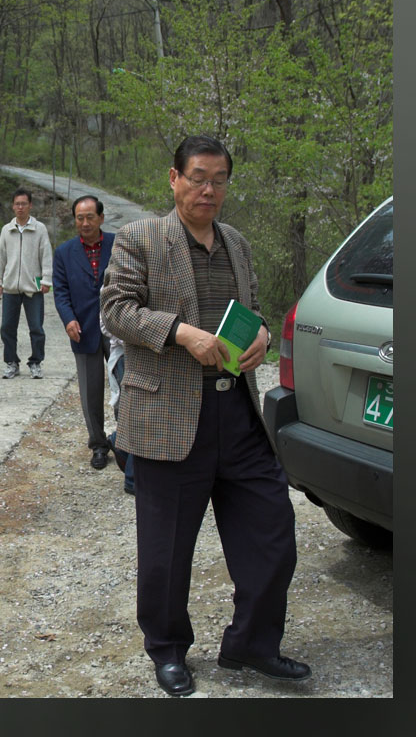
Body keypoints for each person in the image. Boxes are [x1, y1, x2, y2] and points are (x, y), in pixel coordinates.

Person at [100, 135, 308, 697]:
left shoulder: (237, 243)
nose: (208, 189)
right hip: (168, 415)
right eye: (197, 177)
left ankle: (252, 644)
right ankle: (167, 650)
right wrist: (179, 332)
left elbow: (254, 304)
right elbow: (115, 309)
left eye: (218, 179)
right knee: (166, 551)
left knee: (272, 532)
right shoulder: (141, 238)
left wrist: (262, 332)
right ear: (174, 179)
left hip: (235, 413)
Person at [52, 195, 115, 470]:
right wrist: (68, 320)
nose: (85, 223)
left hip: (118, 330)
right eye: (80, 217)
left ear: (101, 218)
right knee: (91, 392)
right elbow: (61, 291)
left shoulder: (119, 244)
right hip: (84, 329)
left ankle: (127, 443)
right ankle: (99, 444)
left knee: (124, 386)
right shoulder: (64, 253)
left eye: (90, 217)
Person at [0, 188, 53, 379]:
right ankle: (11, 362)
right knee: (7, 327)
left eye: (24, 204)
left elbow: (46, 256)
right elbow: (0, 258)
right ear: (13, 206)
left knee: (36, 327)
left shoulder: (39, 229)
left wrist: (46, 280)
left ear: (30, 205)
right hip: (10, 288)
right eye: (17, 204)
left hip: (33, 287)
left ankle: (35, 362)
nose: (20, 207)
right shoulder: (6, 230)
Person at [100, 308, 134, 495]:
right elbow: (105, 324)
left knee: (132, 417)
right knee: (134, 417)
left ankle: (117, 441)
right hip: (126, 354)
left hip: (151, 357)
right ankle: (132, 479)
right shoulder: (114, 280)